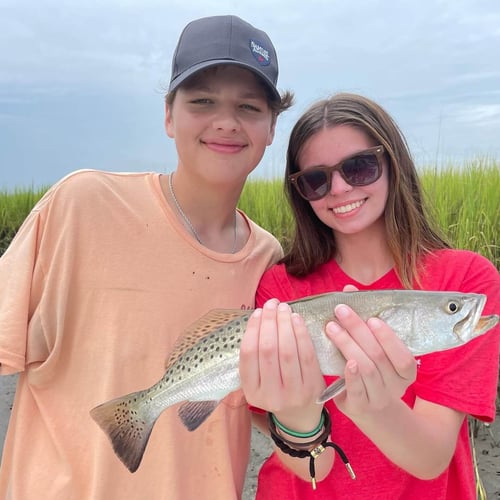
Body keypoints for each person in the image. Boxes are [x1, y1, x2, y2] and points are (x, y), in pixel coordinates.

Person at [0, 15, 293, 499]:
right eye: (202, 101)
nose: (226, 121)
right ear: (168, 115)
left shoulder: (269, 260)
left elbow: (268, 408)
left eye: (249, 106)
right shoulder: (82, 205)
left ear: (270, 129)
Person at [239, 93, 500, 499]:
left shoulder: (464, 280)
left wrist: (375, 409)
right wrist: (295, 415)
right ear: (300, 193)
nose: (339, 189)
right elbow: (314, 468)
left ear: (392, 162)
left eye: (359, 167)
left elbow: (431, 459)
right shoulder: (277, 290)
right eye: (316, 180)